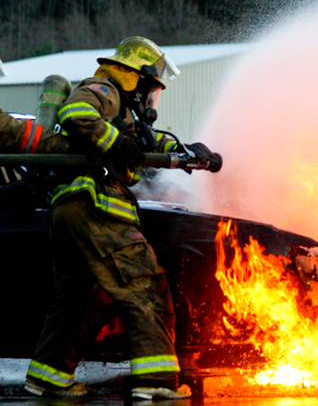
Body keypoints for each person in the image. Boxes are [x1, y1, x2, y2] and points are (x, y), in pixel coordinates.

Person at [23, 37, 219, 400]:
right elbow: (76, 114)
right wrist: (117, 145)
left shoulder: (122, 113)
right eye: (151, 90)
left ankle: (48, 376)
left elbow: (145, 142)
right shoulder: (105, 88)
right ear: (135, 77)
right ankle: (156, 385)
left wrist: (187, 152)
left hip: (71, 212)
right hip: (95, 207)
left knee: (77, 298)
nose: (151, 101)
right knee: (145, 287)